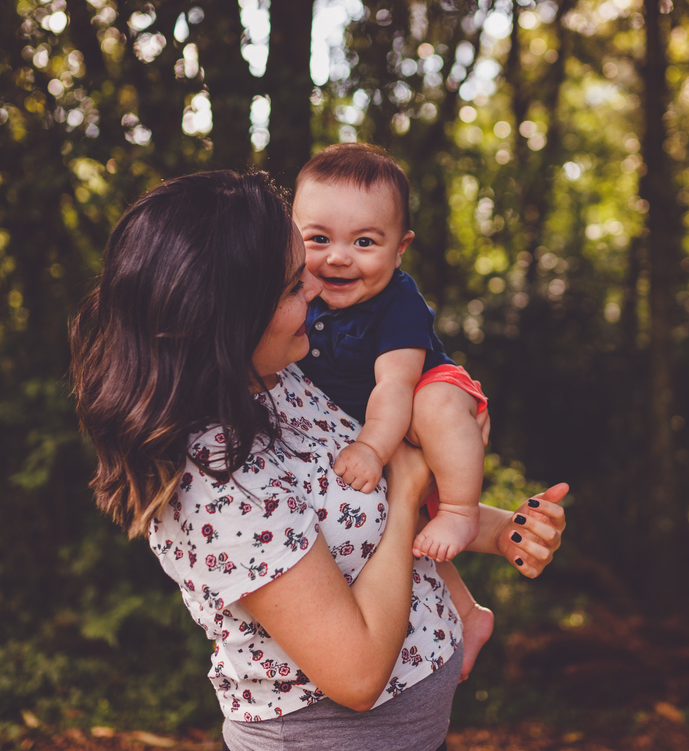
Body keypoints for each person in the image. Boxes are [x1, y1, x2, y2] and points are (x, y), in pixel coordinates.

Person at [70, 170, 566, 751]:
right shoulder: (213, 480)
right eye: (287, 287)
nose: (313, 288)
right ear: (228, 319)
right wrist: (409, 494)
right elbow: (356, 675)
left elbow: (364, 513)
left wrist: (504, 529)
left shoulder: (280, 381)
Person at [292, 143, 495, 678]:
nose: (338, 256)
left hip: (423, 396)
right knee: (403, 534)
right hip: (373, 428)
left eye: (364, 242)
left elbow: (393, 385)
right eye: (318, 239)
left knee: (434, 402)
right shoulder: (298, 298)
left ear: (401, 248)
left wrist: (372, 446)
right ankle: (468, 614)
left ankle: (460, 511)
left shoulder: (398, 301)